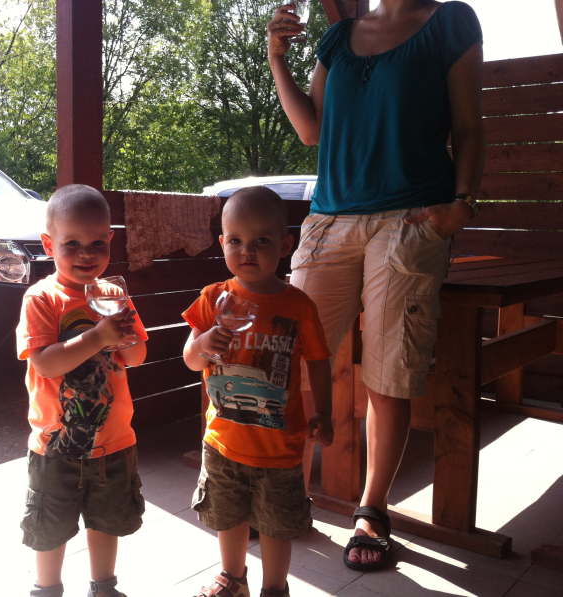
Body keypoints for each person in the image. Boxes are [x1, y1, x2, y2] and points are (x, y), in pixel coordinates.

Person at [267, 0, 485, 571]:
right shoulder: (338, 38)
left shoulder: (450, 22)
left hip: (410, 220)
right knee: (287, 360)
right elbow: (312, 131)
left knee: (389, 375)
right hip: (329, 220)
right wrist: (276, 59)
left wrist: (462, 204)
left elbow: (468, 124)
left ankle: (371, 511)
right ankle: (284, 493)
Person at [182, 186, 334, 597]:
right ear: (222, 244)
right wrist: (203, 343)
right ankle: (233, 578)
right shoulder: (213, 299)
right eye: (235, 241)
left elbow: (319, 361)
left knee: (276, 524)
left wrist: (325, 412)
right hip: (224, 441)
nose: (246, 251)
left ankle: (274, 588)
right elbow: (190, 359)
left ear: (285, 246)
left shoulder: (298, 306)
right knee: (228, 516)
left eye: (261, 241)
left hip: (280, 447)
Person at [16, 184, 148, 597]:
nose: (86, 254)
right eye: (72, 243)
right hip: (56, 446)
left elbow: (137, 356)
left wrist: (123, 336)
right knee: (49, 528)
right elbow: (44, 362)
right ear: (48, 244)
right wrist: (98, 337)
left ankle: (103, 588)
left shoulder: (114, 295)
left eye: (97, 243)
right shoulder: (42, 298)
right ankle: (47, 589)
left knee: (105, 522)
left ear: (110, 241)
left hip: (113, 441)